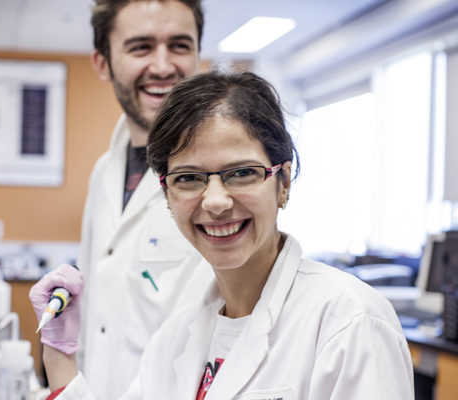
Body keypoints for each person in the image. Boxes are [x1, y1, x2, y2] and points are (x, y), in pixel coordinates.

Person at [30, 70, 414, 399]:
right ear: (167, 195)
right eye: (189, 178)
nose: (214, 201)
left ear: (282, 182)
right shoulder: (175, 338)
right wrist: (60, 358)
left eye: (242, 172)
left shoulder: (349, 322)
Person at [72, 0, 212, 398]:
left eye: (180, 45)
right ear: (103, 63)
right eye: (141, 47)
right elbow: (91, 317)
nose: (164, 66)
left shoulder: (222, 177)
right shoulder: (104, 172)